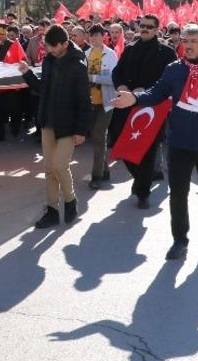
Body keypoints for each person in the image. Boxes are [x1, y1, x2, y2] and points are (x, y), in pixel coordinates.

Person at [111, 25, 198, 260]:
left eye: (193, 41)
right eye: (185, 41)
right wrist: (134, 98)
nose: (188, 45)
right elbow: (156, 93)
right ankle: (180, 240)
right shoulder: (174, 69)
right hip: (179, 141)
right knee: (178, 193)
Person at [18, 24, 91, 228]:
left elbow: (84, 100)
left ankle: (70, 200)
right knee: (50, 169)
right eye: (47, 46)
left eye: (53, 46)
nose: (49, 50)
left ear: (65, 44)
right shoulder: (49, 61)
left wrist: (81, 130)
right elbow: (42, 88)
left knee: (60, 165)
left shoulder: (78, 65)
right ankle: (51, 210)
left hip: (68, 125)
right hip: (47, 122)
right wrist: (27, 73)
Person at [107, 14, 177, 209]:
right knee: (121, 144)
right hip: (126, 105)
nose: (144, 29)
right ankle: (141, 180)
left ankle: (143, 193)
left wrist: (145, 90)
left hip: (152, 108)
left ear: (157, 29)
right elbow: (117, 72)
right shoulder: (130, 48)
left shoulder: (167, 52)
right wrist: (121, 86)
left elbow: (169, 80)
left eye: (149, 26)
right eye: (142, 25)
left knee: (147, 151)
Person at [85, 23, 119, 188]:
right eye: (91, 35)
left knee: (99, 136)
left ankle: (96, 176)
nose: (93, 38)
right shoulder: (86, 54)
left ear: (103, 36)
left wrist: (94, 78)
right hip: (90, 102)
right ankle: (105, 170)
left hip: (106, 102)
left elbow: (114, 79)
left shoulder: (110, 54)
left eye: (96, 35)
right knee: (97, 137)